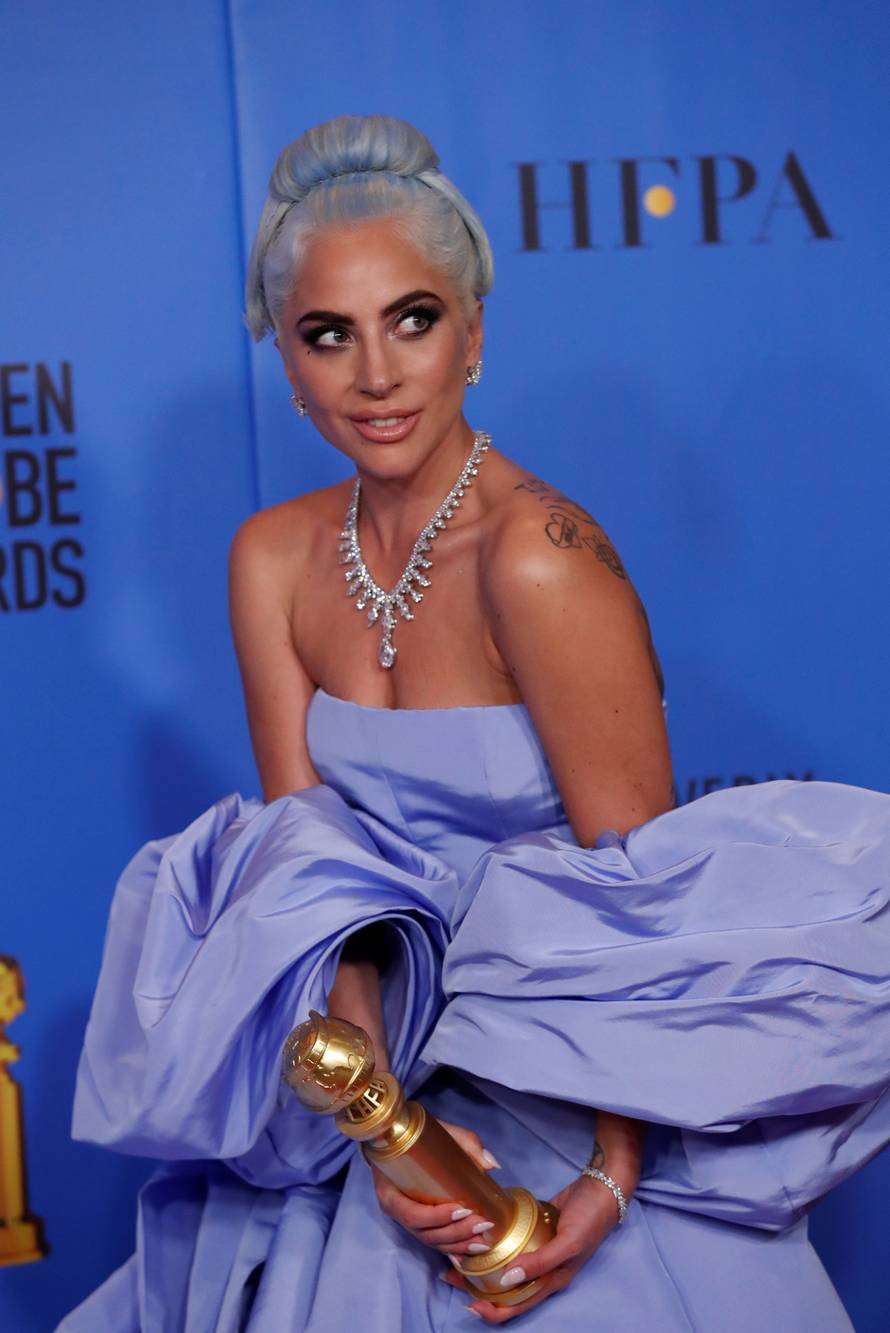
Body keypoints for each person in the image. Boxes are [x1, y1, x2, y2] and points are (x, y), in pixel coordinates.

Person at [58, 114, 890, 1332]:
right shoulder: (271, 558)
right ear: (285, 364)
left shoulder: (538, 560)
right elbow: (308, 864)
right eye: (327, 337)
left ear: (474, 332)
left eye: (412, 318)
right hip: (377, 1072)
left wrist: (607, 1179)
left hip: (571, 1091)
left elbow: (643, 914)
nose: (376, 375)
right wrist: (382, 1120)